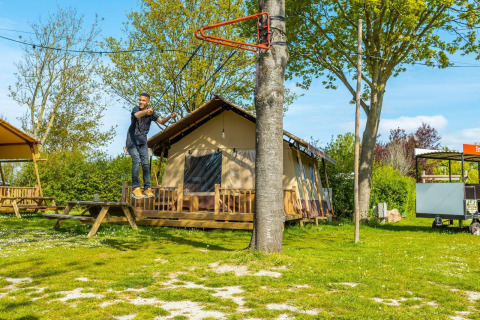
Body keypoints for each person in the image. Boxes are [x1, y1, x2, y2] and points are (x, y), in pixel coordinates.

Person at [126, 93, 177, 199]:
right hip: (132, 141)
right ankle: (135, 188)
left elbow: (162, 121)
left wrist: (170, 117)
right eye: (140, 100)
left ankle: (147, 188)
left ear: (148, 102)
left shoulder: (151, 113)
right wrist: (146, 112)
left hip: (143, 141)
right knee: (137, 161)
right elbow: (137, 115)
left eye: (143, 100)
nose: (140, 102)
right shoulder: (136, 109)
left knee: (145, 164)